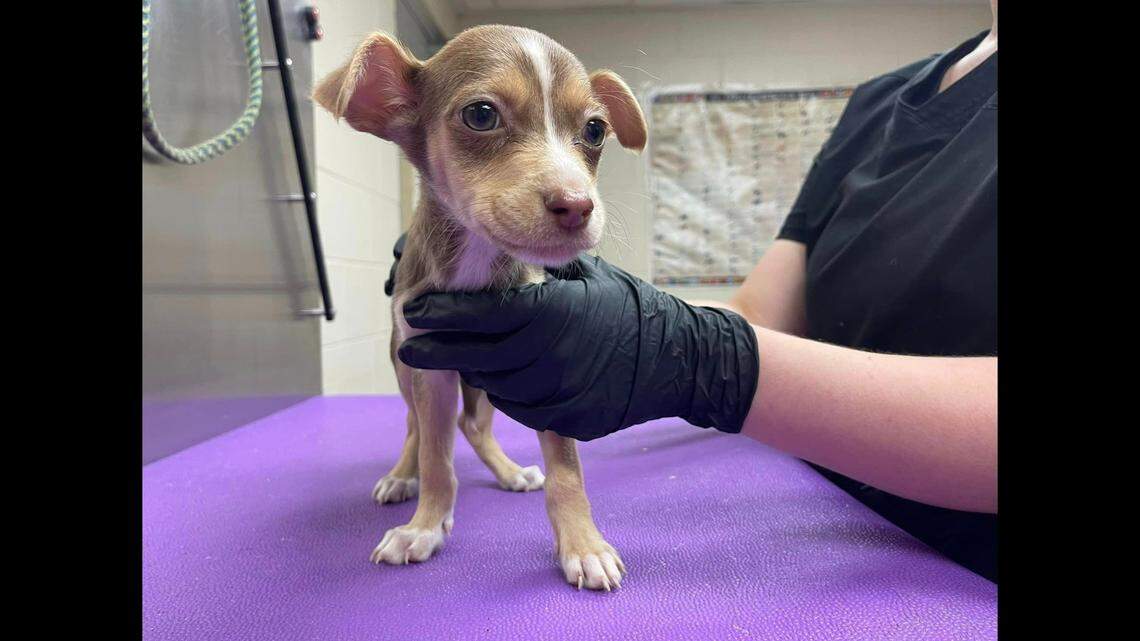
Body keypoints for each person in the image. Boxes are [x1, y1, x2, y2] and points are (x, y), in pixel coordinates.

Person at [397, 4, 998, 580]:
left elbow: (716, 347)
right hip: (813, 500)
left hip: (966, 564)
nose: (573, 188)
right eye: (482, 115)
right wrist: (642, 329)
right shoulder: (875, 105)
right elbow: (757, 313)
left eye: (593, 130)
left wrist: (701, 358)